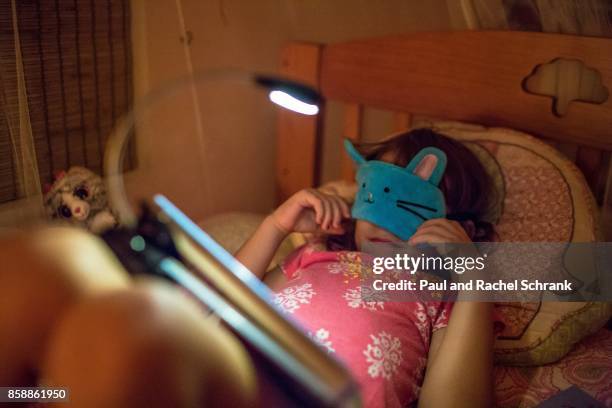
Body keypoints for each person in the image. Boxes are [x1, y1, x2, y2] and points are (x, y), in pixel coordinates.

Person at [236, 128, 498, 407]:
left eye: (407, 207)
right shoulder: (317, 253)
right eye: (372, 198)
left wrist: (473, 275)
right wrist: (275, 226)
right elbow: (218, 299)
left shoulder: (440, 292)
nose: (381, 224)